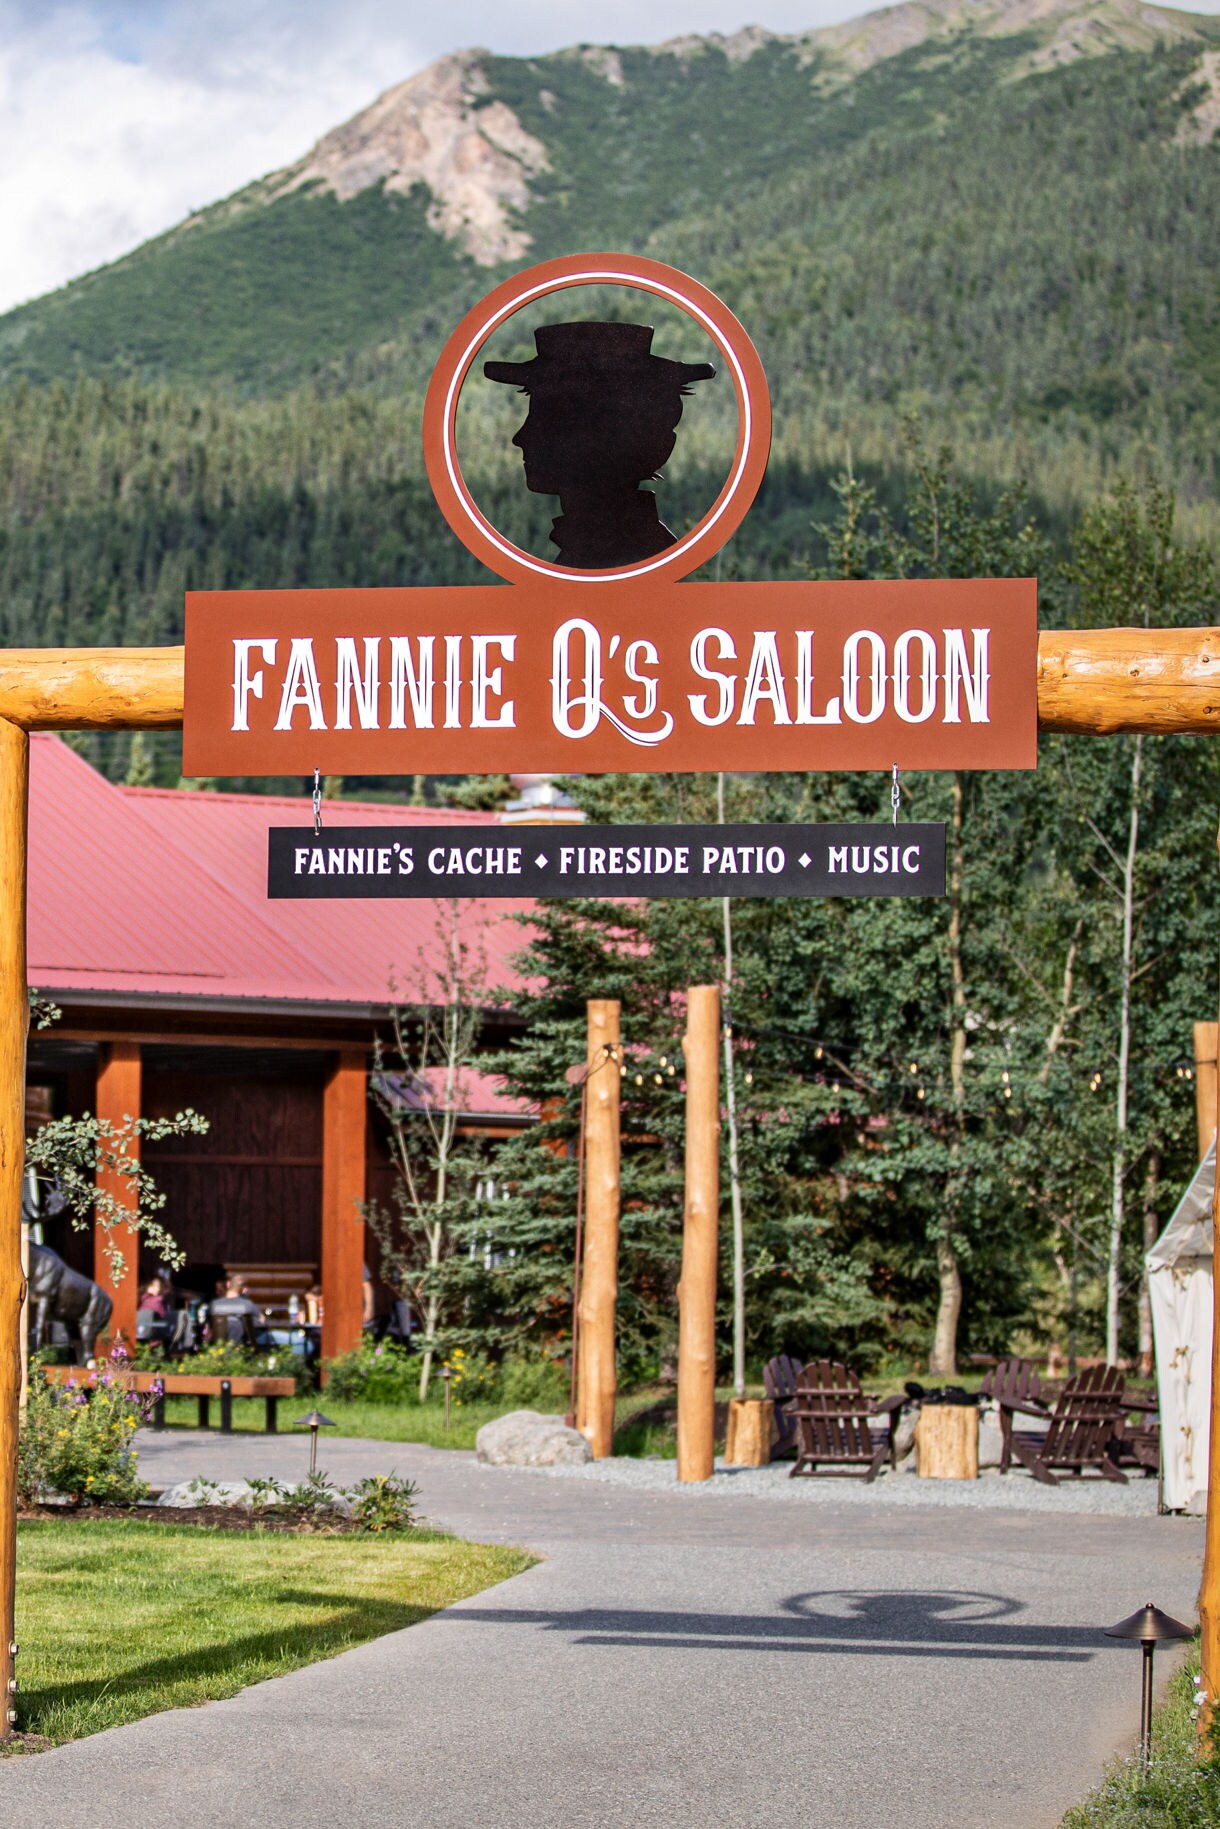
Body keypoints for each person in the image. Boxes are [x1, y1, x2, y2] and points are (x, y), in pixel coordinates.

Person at [484, 321, 715, 569]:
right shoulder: (635, 557)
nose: (521, 437)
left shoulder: (614, 561)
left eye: (548, 417)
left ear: (602, 434)